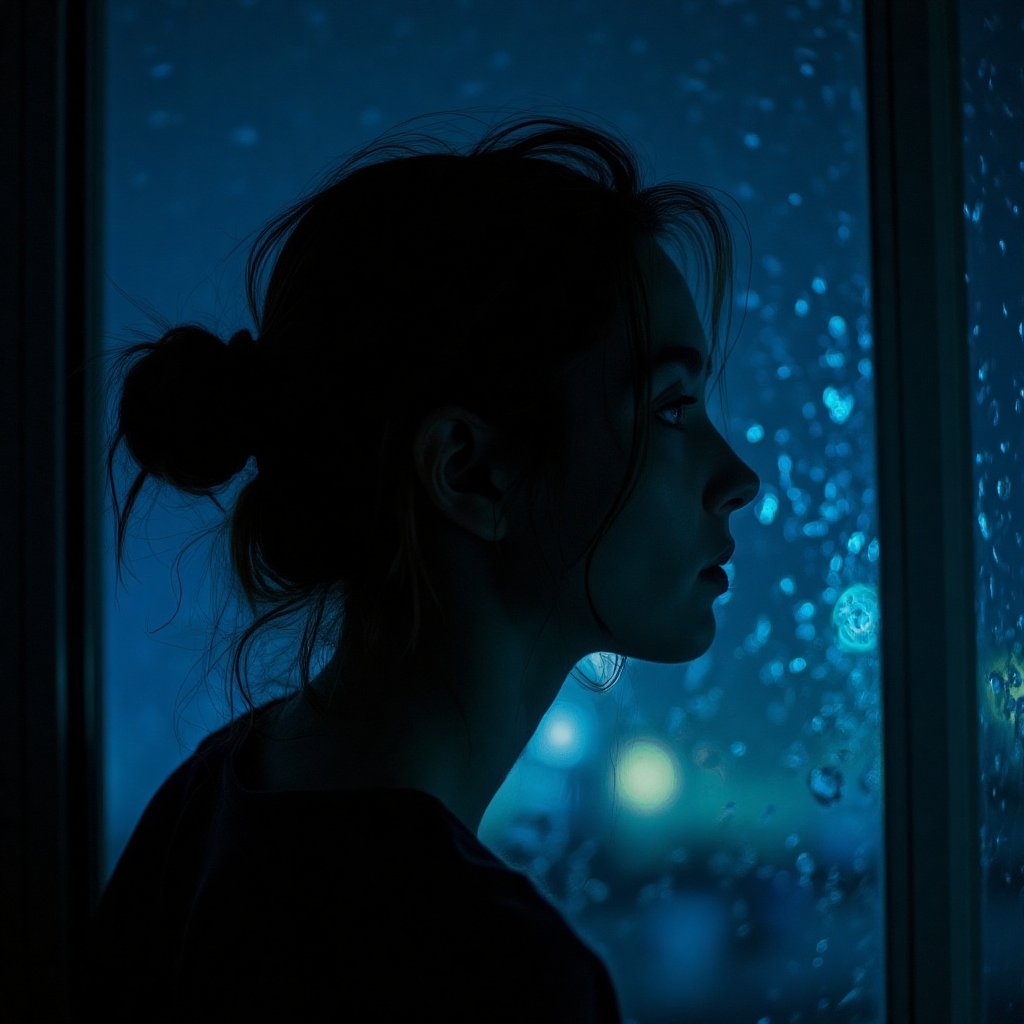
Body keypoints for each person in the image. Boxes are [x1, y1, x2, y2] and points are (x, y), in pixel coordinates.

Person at [81, 111, 760, 1021]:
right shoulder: (491, 972)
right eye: (671, 408)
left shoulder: (206, 805)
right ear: (471, 473)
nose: (738, 479)